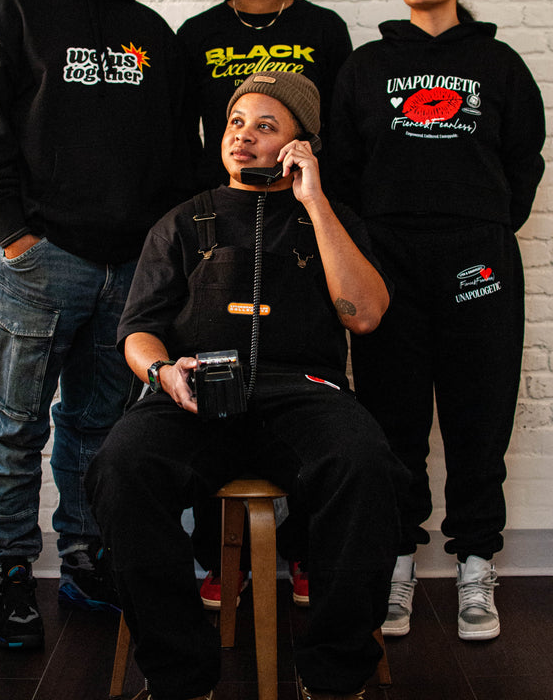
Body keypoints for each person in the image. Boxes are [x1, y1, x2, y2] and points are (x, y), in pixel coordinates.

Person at [86, 71, 406, 700]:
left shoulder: (329, 219)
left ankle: (337, 678)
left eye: (266, 126)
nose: (243, 137)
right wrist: (162, 373)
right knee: (120, 467)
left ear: (299, 146)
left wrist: (313, 202)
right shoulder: (182, 221)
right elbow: (139, 331)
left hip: (304, 394)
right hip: (196, 390)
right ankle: (181, 676)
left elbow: (364, 314)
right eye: (237, 122)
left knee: (367, 464)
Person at [0, 0, 195, 650]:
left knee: (97, 425)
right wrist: (13, 235)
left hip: (130, 270)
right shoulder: (10, 11)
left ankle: (86, 556)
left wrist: (164, 255)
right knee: (16, 427)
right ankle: (10, 574)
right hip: (40, 261)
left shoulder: (152, 33)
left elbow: (176, 152)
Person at [329, 0, 545, 642]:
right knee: (394, 419)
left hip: (477, 257)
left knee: (478, 418)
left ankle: (477, 564)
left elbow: (524, 158)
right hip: (389, 258)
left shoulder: (500, 64)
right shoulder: (366, 66)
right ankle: (397, 560)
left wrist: (483, 226)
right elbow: (345, 170)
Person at [177, 0, 352, 607]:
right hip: (216, 231)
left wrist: (325, 217)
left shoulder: (323, 28)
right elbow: (182, 142)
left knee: (314, 382)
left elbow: (341, 136)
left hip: (303, 231)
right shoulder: (195, 37)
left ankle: (309, 549)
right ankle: (222, 558)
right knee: (211, 379)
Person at [177, 0, 352, 191]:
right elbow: (182, 133)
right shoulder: (197, 34)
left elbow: (340, 130)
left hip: (301, 199)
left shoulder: (324, 28)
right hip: (220, 201)